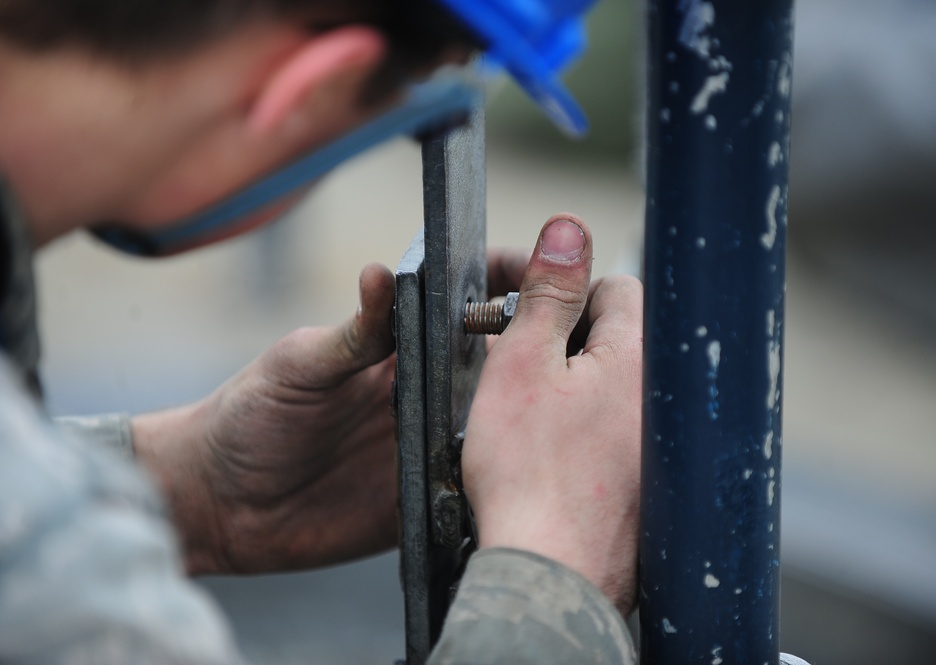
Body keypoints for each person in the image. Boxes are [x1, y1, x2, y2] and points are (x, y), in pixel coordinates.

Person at [0, 0, 643, 662]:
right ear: (311, 90)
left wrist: (187, 485)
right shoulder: (63, 589)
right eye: (404, 120)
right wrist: (548, 590)